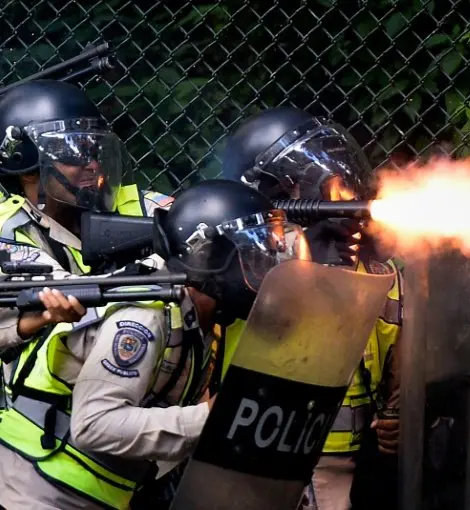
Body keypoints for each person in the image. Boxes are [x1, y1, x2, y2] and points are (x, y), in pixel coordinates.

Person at [0, 178, 309, 509]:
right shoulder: (144, 317)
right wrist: (210, 417)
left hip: (93, 491)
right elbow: (94, 425)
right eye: (253, 257)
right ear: (211, 256)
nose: (266, 269)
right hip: (39, 485)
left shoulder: (204, 318)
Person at [222, 106, 403, 510]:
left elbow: (402, 359)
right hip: (244, 461)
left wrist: (396, 413)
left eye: (348, 189)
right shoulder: (234, 273)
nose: (346, 209)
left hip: (343, 467)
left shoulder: (377, 275)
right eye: (328, 192)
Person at [0, 80, 174, 396]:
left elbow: (197, 223)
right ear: (26, 170)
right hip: (43, 417)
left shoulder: (140, 205)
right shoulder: (8, 232)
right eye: (72, 154)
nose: (92, 165)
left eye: (94, 150)